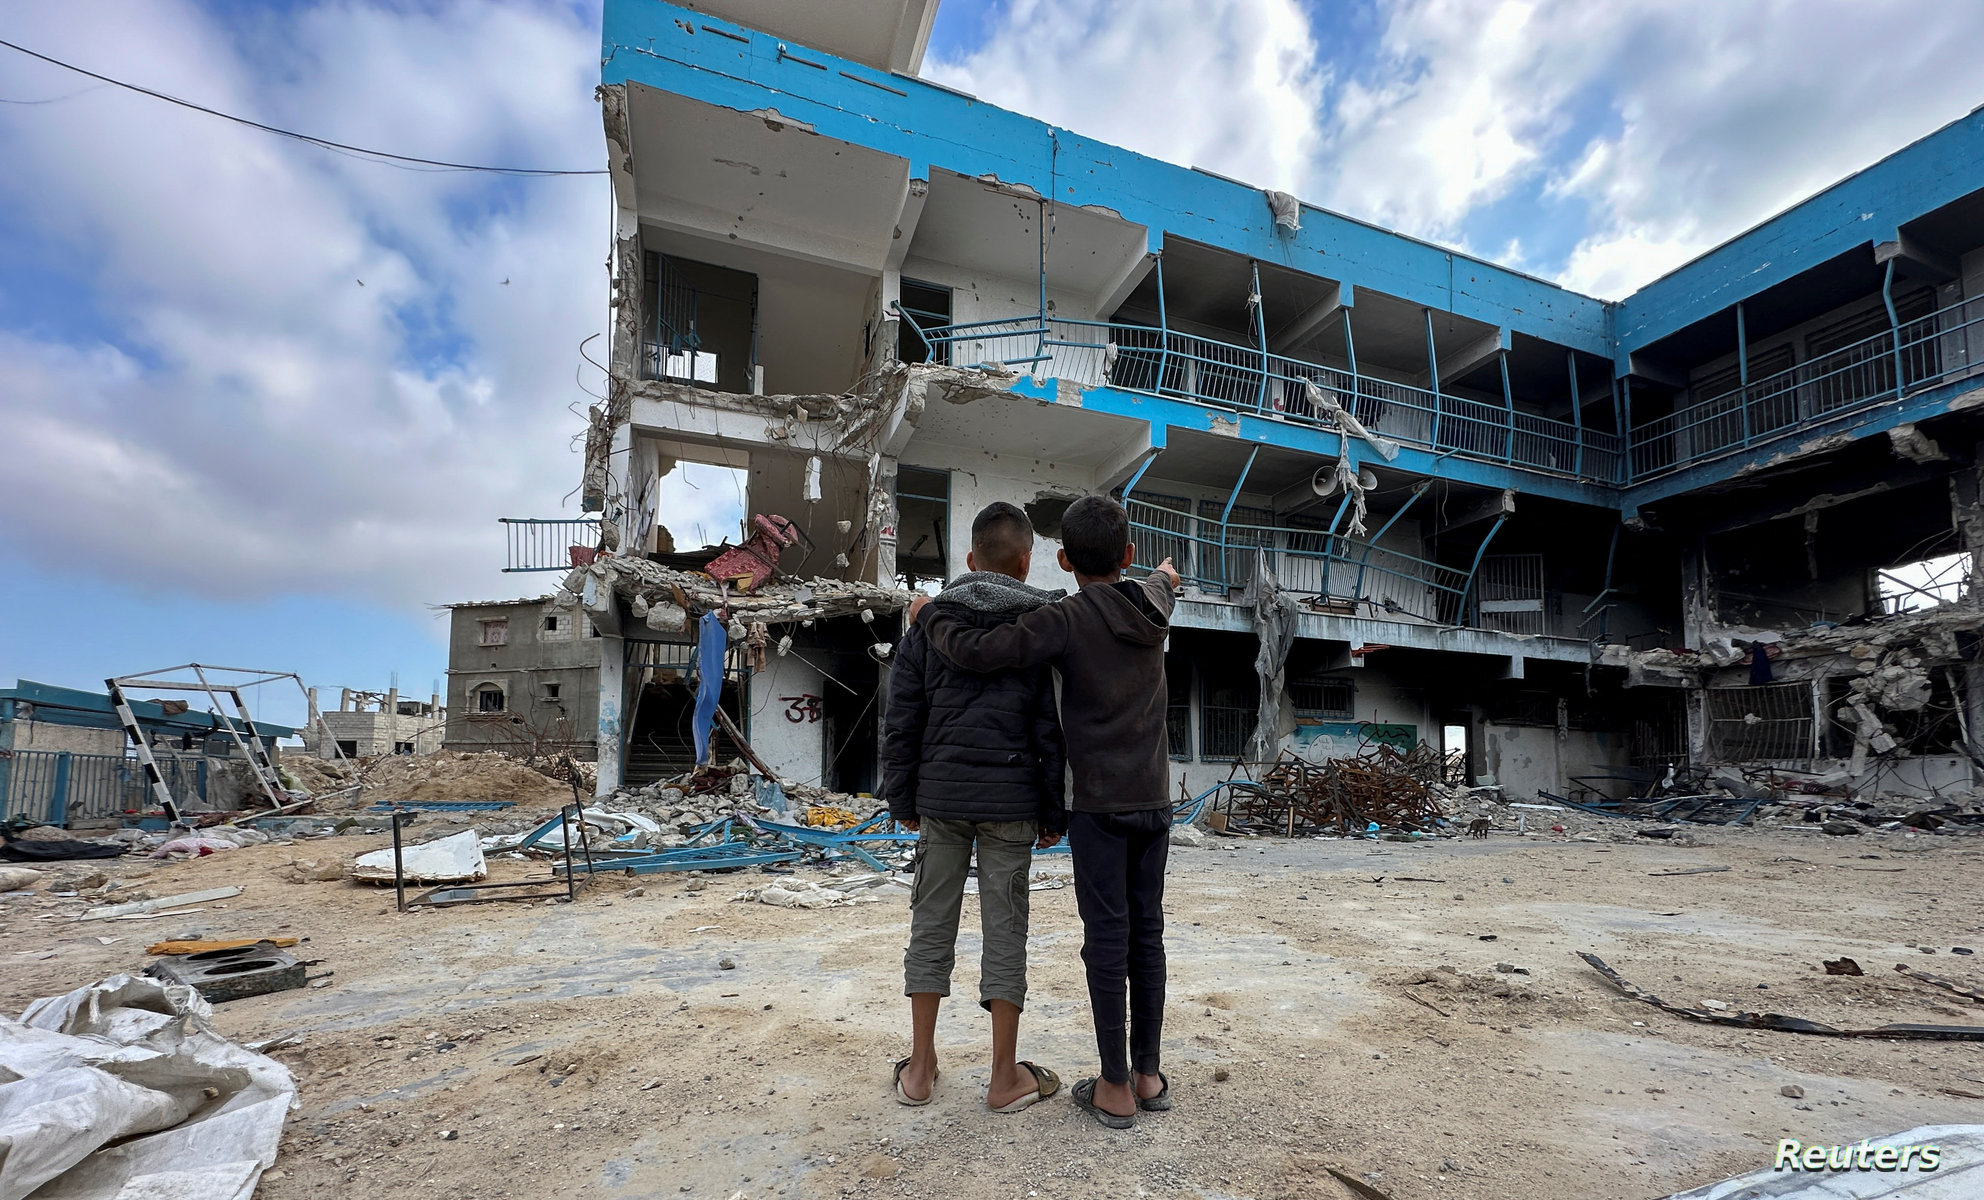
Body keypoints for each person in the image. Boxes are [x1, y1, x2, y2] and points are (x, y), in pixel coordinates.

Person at [910, 494, 1180, 1130]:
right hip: (1153, 799)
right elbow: (1164, 584)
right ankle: (1148, 1073)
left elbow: (980, 653)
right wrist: (1165, 576)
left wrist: (928, 617)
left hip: (1095, 803)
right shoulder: (1155, 603)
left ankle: (1114, 1086)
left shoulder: (1067, 618)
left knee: (1107, 939)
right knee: (1149, 934)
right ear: (1130, 555)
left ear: (1061, 559)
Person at [883, 500, 1068, 1113]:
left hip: (939, 801)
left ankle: (920, 1069)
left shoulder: (928, 628)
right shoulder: (1037, 629)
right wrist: (1052, 811)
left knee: (930, 925)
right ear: (1024, 563)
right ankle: (1001, 1077)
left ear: (968, 560)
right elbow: (1050, 730)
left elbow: (902, 722)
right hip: (1012, 803)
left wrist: (901, 797)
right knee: (1005, 929)